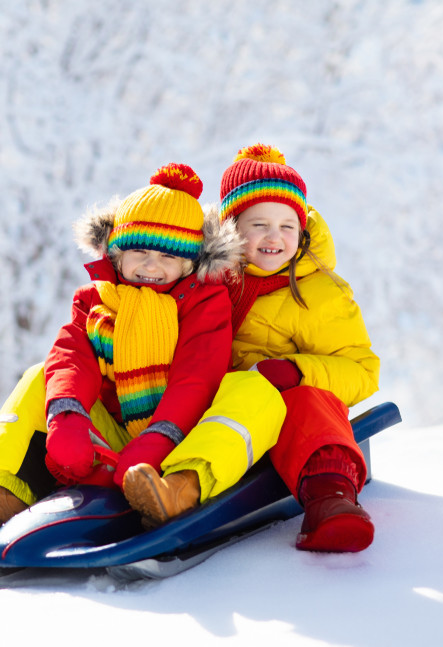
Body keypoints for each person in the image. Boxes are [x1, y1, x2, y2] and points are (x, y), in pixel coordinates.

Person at [0, 162, 286, 559]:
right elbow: (70, 359)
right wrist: (68, 419)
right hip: (116, 448)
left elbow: (198, 378)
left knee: (255, 390)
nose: (151, 267)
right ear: (117, 254)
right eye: (139, 252)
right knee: (39, 377)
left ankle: (179, 490)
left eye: (168, 256)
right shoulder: (95, 301)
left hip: (178, 445)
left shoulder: (202, 302)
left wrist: (155, 444)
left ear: (191, 262)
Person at [122, 144, 380, 552]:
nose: (274, 237)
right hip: (200, 404)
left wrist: (294, 371)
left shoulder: (320, 293)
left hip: (277, 415)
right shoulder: (203, 277)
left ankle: (331, 501)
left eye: (287, 225)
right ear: (230, 228)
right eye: (258, 224)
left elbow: (361, 371)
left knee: (305, 403)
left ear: (303, 231)